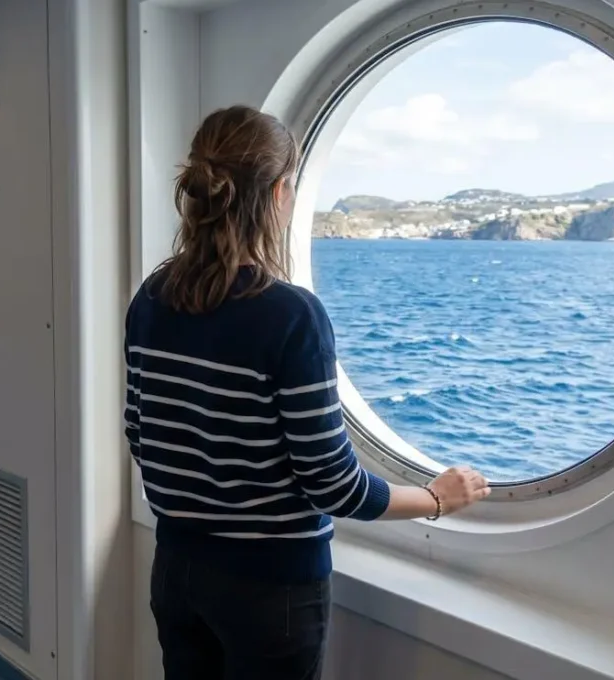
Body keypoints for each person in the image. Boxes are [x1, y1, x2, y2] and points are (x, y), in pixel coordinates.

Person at [124, 105, 491, 680]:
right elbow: (333, 485)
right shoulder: (291, 316)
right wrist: (437, 498)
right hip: (271, 591)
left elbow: (141, 434)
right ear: (279, 194)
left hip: (177, 571)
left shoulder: (152, 296)